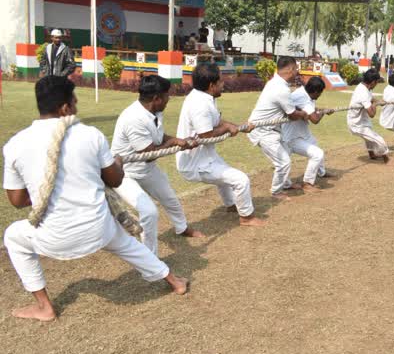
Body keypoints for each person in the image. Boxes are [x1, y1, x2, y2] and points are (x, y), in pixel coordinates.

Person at [3, 76, 188, 322]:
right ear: (65, 108)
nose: (77, 108)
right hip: (98, 230)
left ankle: (44, 307)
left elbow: (16, 200)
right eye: (75, 102)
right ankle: (174, 282)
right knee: (125, 242)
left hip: (54, 238)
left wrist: (48, 193)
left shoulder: (15, 145)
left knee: (14, 237)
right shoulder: (90, 135)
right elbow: (115, 180)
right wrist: (117, 163)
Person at [111, 76, 205, 254]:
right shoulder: (134, 118)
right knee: (149, 212)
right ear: (156, 99)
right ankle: (149, 255)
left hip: (146, 170)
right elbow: (148, 155)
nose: (169, 99)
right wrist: (174, 144)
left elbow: (159, 137)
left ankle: (182, 228)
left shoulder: (154, 111)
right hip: (125, 174)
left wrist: (178, 140)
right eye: (167, 96)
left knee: (170, 199)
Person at [176, 63, 263, 226]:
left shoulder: (204, 97)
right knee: (241, 180)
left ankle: (231, 205)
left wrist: (238, 127)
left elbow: (216, 121)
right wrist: (227, 128)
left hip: (206, 156)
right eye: (221, 82)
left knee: (225, 176)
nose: (224, 84)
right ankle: (246, 217)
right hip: (195, 163)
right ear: (211, 85)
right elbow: (206, 134)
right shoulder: (199, 104)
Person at [248, 56, 309, 199]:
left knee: (286, 153)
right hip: (262, 131)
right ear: (290, 69)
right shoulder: (280, 88)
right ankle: (276, 191)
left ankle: (286, 184)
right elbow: (293, 115)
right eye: (296, 69)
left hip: (272, 130)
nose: (297, 73)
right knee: (283, 161)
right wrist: (304, 114)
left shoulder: (275, 82)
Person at [282, 76, 333, 192]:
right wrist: (323, 112)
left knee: (314, 144)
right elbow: (315, 119)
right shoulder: (303, 97)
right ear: (315, 91)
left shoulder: (304, 92)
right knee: (317, 154)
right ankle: (307, 183)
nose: (319, 96)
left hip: (299, 132)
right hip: (290, 136)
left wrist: (321, 110)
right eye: (320, 93)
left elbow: (311, 109)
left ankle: (321, 172)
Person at [348, 69, 389, 163]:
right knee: (379, 140)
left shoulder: (366, 87)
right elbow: (372, 114)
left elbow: (371, 98)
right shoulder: (362, 92)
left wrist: (378, 101)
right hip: (356, 124)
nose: (377, 84)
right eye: (377, 82)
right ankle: (386, 158)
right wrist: (375, 104)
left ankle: (372, 154)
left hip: (362, 119)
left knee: (369, 136)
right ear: (373, 82)